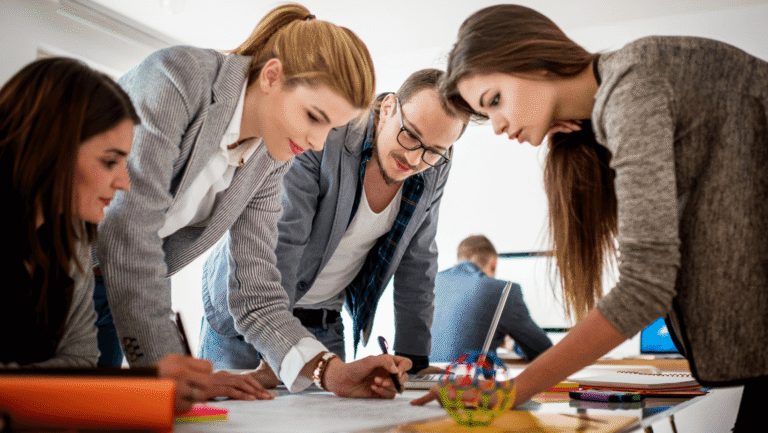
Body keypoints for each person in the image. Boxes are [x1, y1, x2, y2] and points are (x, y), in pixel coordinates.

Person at [412, 4, 768, 428]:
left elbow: (644, 287)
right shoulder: (620, 95)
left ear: (534, 59)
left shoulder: (632, 87)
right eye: (487, 115)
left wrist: (511, 391)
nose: (499, 126)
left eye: (495, 100)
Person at [96, 3, 407, 400]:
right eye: (314, 117)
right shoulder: (177, 78)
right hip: (49, 276)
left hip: (113, 292)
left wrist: (330, 372)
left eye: (330, 129)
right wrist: (169, 364)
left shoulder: (270, 157)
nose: (316, 142)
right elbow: (128, 231)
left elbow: (256, 291)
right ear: (272, 76)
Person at [199, 68, 467, 384]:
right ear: (388, 109)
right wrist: (277, 350)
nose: (414, 158)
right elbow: (283, 239)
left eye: (434, 151)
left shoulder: (433, 167)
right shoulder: (327, 134)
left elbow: (418, 261)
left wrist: (415, 361)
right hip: (249, 318)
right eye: (410, 135)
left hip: (323, 322)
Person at [0, 57, 215, 413]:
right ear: (52, 147)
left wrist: (145, 386)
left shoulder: (71, 242)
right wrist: (136, 389)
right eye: (109, 161)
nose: (124, 183)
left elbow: (79, 363)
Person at [430, 235, 552, 363]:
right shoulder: (504, 291)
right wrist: (511, 345)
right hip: (465, 375)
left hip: (421, 373)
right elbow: (544, 351)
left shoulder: (430, 284)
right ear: (493, 265)